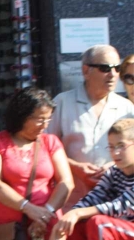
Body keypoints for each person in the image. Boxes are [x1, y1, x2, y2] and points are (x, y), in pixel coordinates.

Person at [0, 88, 74, 240]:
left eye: (48, 119)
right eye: (39, 119)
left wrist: (45, 213)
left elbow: (66, 182)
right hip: (10, 236)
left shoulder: (50, 142)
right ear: (22, 115)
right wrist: (28, 209)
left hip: (46, 230)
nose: (45, 125)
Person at [49, 119, 134, 240]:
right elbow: (94, 197)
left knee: (99, 224)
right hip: (125, 235)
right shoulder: (113, 173)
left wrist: (78, 213)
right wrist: (65, 222)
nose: (115, 152)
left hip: (127, 233)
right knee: (77, 225)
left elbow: (123, 204)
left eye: (121, 146)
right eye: (111, 147)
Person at [47, 45, 134, 209]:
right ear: (86, 71)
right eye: (105, 68)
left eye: (117, 68)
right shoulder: (62, 102)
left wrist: (113, 166)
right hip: (71, 199)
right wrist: (75, 166)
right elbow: (46, 149)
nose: (113, 74)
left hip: (113, 201)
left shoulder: (126, 108)